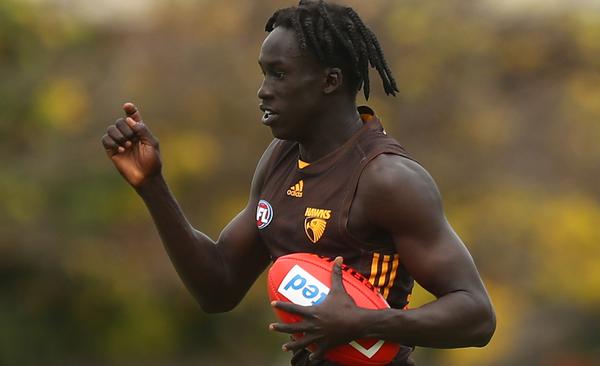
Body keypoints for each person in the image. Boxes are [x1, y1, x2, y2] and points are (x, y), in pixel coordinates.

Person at [100, 1, 496, 365]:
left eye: (280, 74)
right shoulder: (279, 159)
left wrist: (364, 322)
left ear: (330, 81)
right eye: (264, 73)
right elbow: (217, 288)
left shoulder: (387, 179)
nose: (263, 90)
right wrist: (152, 186)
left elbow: (476, 316)